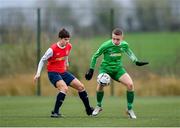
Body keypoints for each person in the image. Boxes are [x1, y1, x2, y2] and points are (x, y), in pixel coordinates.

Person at [85, 28, 148, 119]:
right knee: (101, 84)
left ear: (122, 38)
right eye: (113, 38)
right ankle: (99, 106)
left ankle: (129, 109)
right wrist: (91, 70)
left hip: (118, 69)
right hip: (105, 69)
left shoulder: (125, 45)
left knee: (130, 84)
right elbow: (95, 56)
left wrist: (136, 61)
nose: (115, 41)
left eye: (117, 39)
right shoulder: (106, 45)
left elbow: (129, 53)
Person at [34, 28, 94, 118]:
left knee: (81, 87)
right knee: (64, 88)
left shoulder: (69, 46)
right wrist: (38, 73)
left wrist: (66, 62)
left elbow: (66, 54)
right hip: (53, 73)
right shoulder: (52, 49)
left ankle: (88, 110)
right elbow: (42, 60)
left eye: (68, 39)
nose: (67, 41)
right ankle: (55, 112)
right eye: (65, 39)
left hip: (63, 72)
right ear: (60, 38)